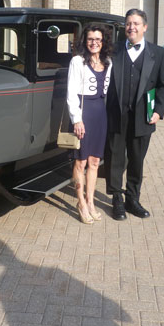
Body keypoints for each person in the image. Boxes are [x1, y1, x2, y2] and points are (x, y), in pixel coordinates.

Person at [105, 9, 164, 221]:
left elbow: (163, 85)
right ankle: (116, 199)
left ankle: (133, 199)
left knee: (136, 160)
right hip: (117, 113)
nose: (131, 27)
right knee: (114, 158)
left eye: (136, 23)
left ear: (144, 27)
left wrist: (159, 111)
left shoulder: (158, 53)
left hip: (144, 116)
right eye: (129, 23)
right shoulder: (113, 50)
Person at [67, 24, 112, 224]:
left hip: (100, 113)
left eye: (98, 39)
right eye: (91, 39)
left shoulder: (108, 62)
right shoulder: (77, 62)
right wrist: (76, 119)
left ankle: (90, 201)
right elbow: (71, 93)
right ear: (85, 41)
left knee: (94, 162)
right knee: (81, 161)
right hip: (84, 114)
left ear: (103, 42)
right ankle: (81, 204)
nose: (94, 43)